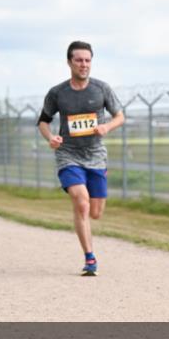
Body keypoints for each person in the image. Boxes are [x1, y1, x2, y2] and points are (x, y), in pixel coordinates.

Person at [37, 41, 125, 276]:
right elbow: (43, 121)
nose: (83, 65)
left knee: (95, 212)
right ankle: (90, 259)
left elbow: (120, 116)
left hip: (96, 155)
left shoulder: (101, 89)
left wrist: (107, 127)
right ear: (69, 62)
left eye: (87, 60)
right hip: (68, 154)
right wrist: (50, 138)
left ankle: (83, 214)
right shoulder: (57, 93)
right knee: (82, 202)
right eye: (79, 60)